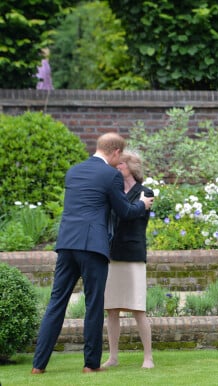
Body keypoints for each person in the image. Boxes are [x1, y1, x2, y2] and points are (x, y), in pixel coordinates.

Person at [31, 133, 154, 374]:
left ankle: (38, 365)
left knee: (56, 303)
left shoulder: (73, 171)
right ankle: (91, 365)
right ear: (116, 152)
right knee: (94, 305)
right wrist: (143, 205)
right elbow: (126, 211)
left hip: (66, 243)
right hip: (93, 247)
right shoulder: (110, 176)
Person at [102, 150, 154, 369]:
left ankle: (148, 358)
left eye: (120, 163)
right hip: (112, 254)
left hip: (133, 255)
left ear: (132, 166)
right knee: (111, 309)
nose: (116, 167)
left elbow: (131, 215)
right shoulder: (112, 192)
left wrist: (136, 205)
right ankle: (113, 357)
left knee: (138, 308)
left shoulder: (146, 192)